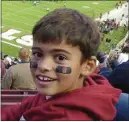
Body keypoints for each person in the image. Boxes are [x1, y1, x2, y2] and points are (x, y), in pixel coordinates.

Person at [2, 8, 121, 121]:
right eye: (38, 54)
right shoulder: (59, 88)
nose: (43, 66)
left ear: (87, 66)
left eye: (60, 57)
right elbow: (20, 109)